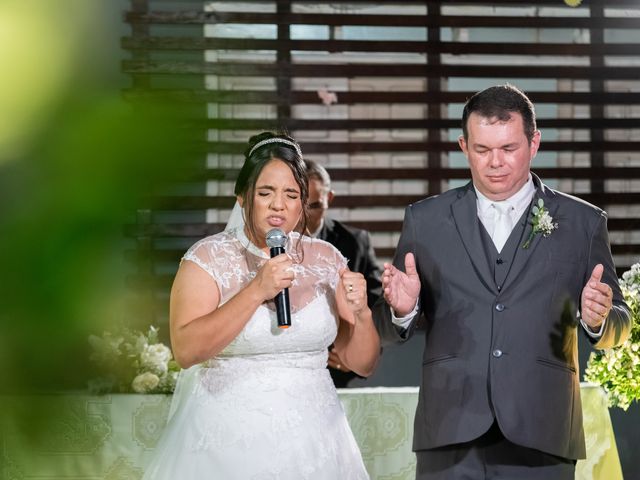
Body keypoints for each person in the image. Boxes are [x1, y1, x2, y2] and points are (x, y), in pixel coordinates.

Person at [373, 84, 632, 480]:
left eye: (509, 148)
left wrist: (598, 321)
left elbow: (620, 325)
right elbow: (384, 328)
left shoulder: (583, 223)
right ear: (463, 145)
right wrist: (403, 312)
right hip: (449, 428)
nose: (495, 162)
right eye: (482, 149)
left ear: (534, 142)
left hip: (543, 429)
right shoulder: (425, 220)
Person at [143, 132, 380, 479]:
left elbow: (363, 363)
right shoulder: (206, 259)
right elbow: (186, 350)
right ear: (243, 198)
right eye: (266, 193)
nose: (278, 205)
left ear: (303, 202)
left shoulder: (328, 259)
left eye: (291, 195)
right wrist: (256, 290)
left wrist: (362, 313)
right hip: (227, 445)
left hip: (317, 442)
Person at [305, 159, 383, 387]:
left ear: (329, 199)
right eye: (301, 204)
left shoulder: (355, 243)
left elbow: (376, 305)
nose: (307, 216)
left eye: (315, 205)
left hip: (335, 372)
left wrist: (355, 354)